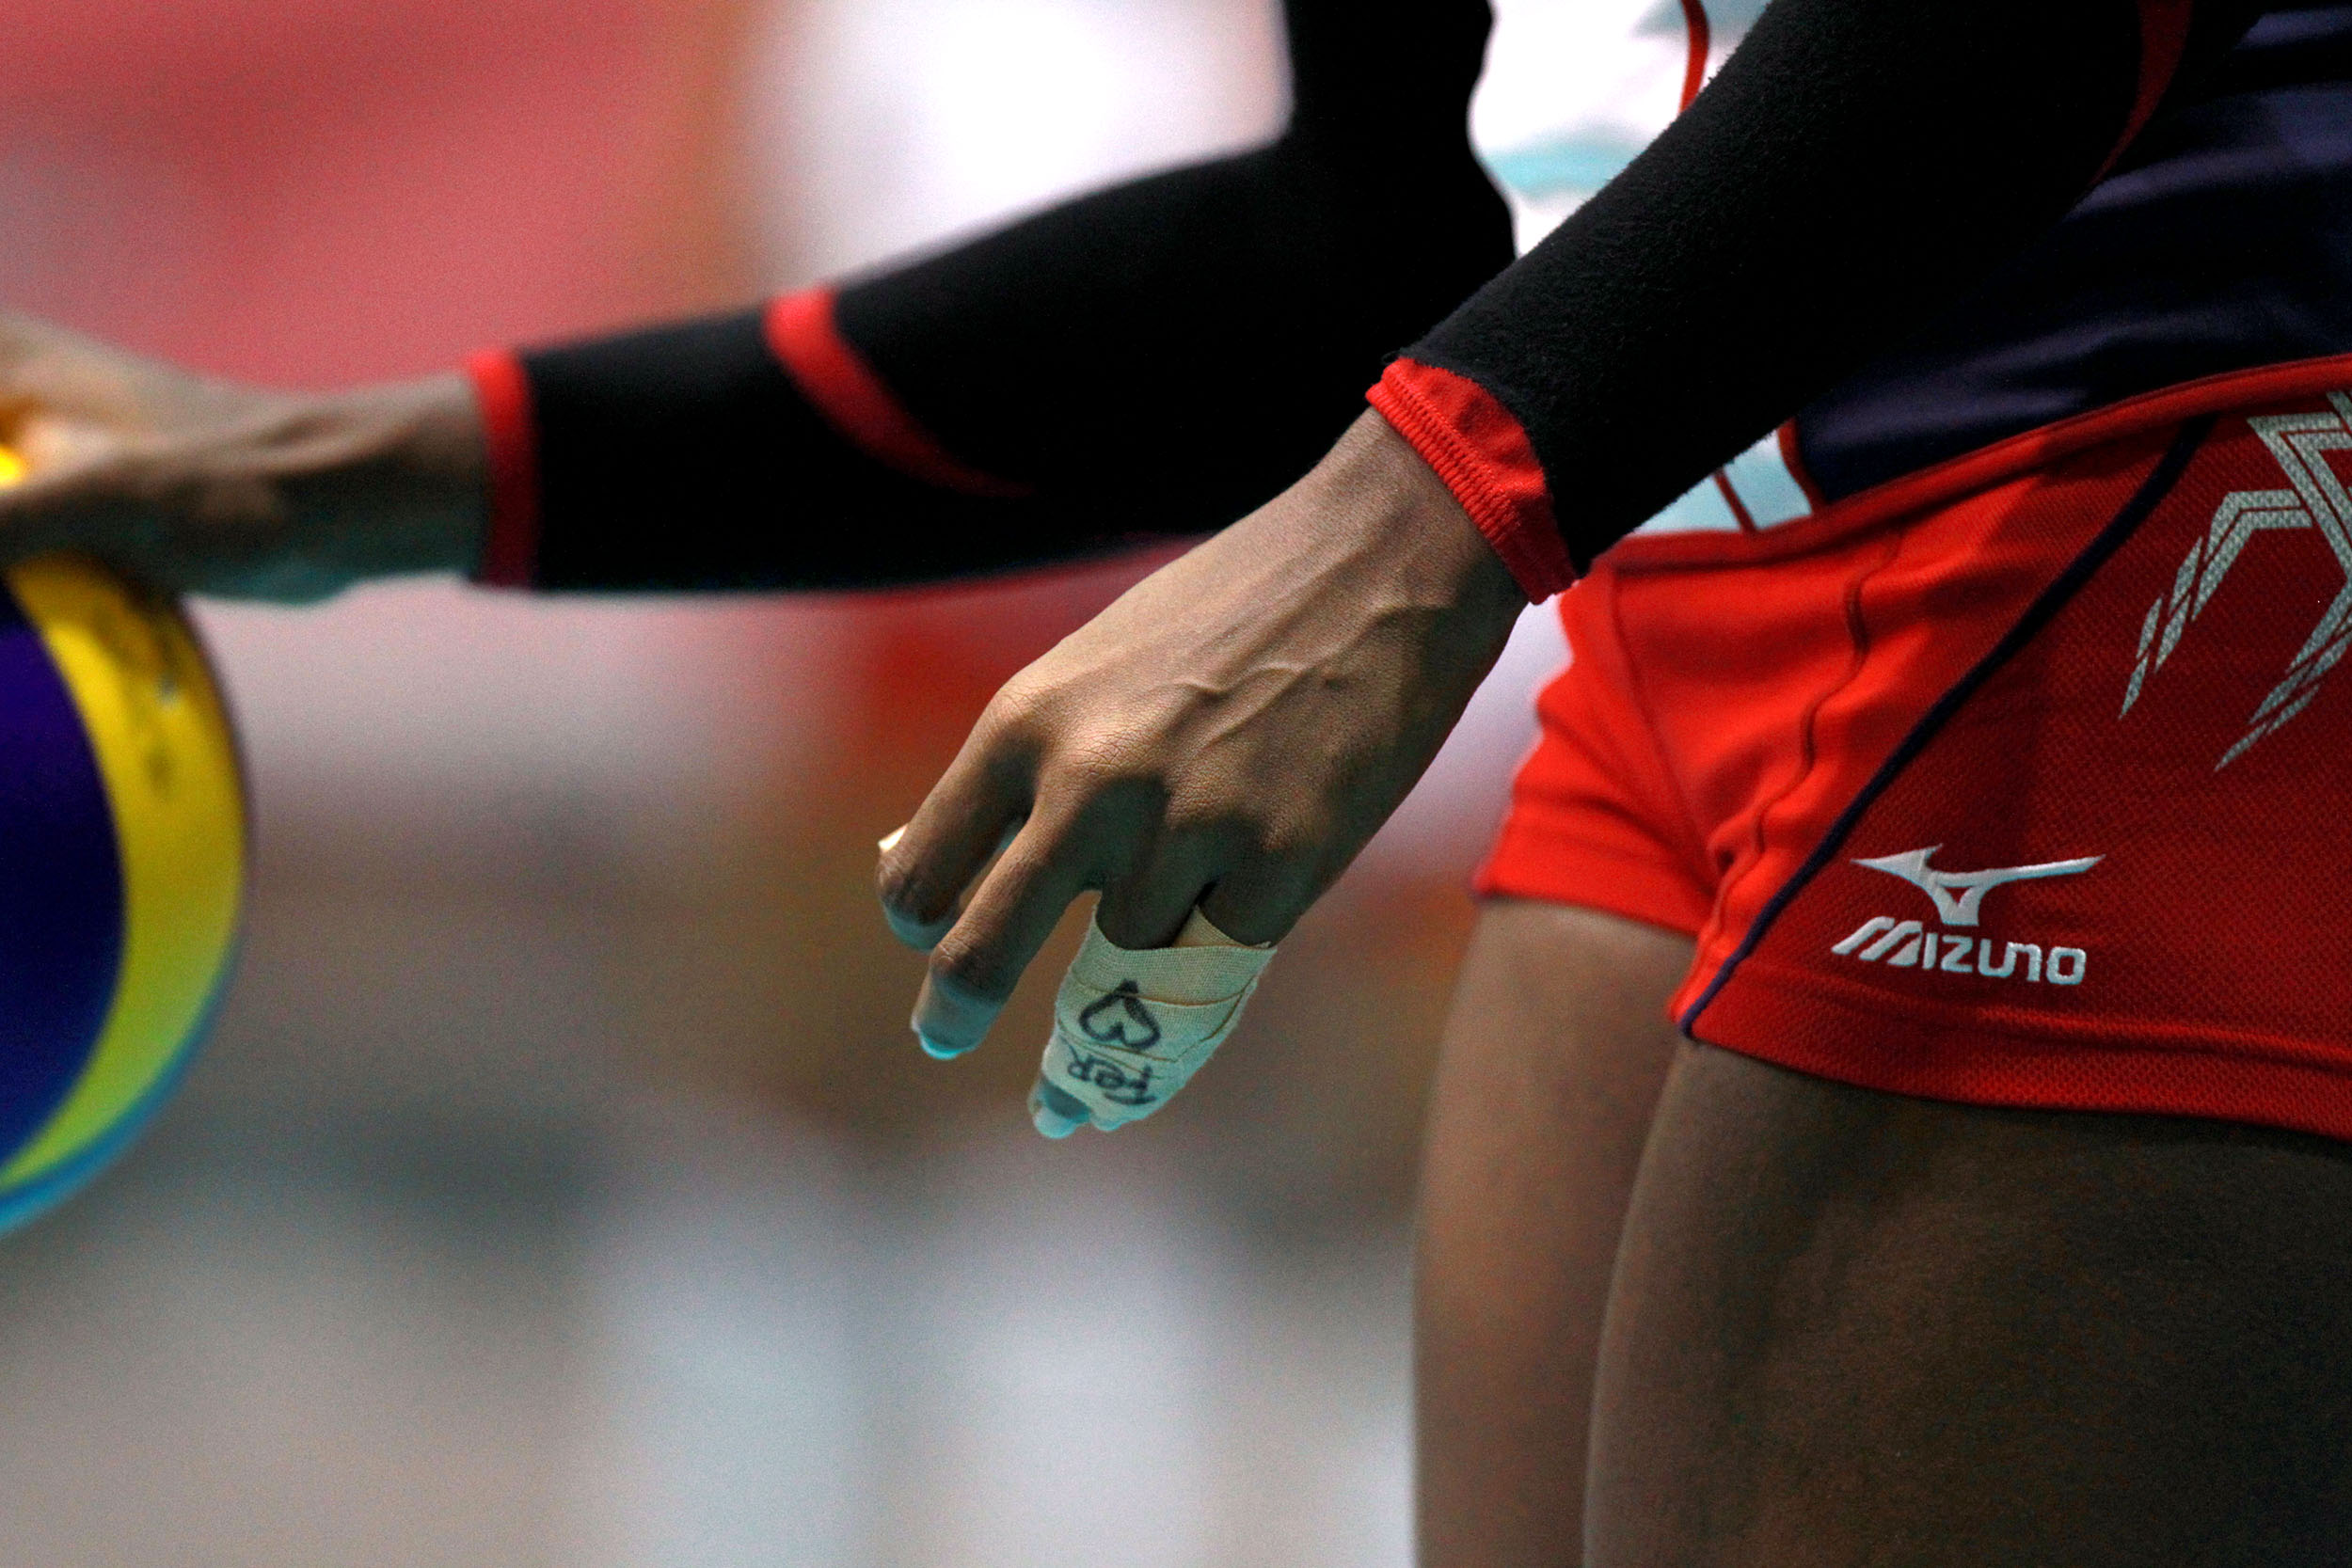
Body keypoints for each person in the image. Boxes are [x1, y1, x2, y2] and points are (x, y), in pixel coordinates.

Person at [8, 0, 2352, 1558]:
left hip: (2153, 516)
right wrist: (405, 466)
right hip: (1666, 584)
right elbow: (1369, 239)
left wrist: (1415, 522)